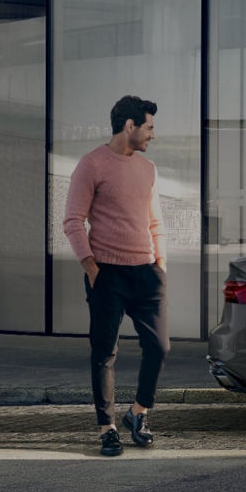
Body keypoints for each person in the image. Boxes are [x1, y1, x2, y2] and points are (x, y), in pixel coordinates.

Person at [62, 95, 169, 457]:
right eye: (149, 127)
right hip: (107, 273)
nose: (152, 135)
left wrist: (161, 264)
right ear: (130, 126)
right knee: (105, 352)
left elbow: (155, 222)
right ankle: (107, 427)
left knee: (159, 346)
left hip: (145, 273)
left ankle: (138, 413)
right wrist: (91, 266)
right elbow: (73, 220)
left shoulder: (148, 169)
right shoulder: (91, 165)